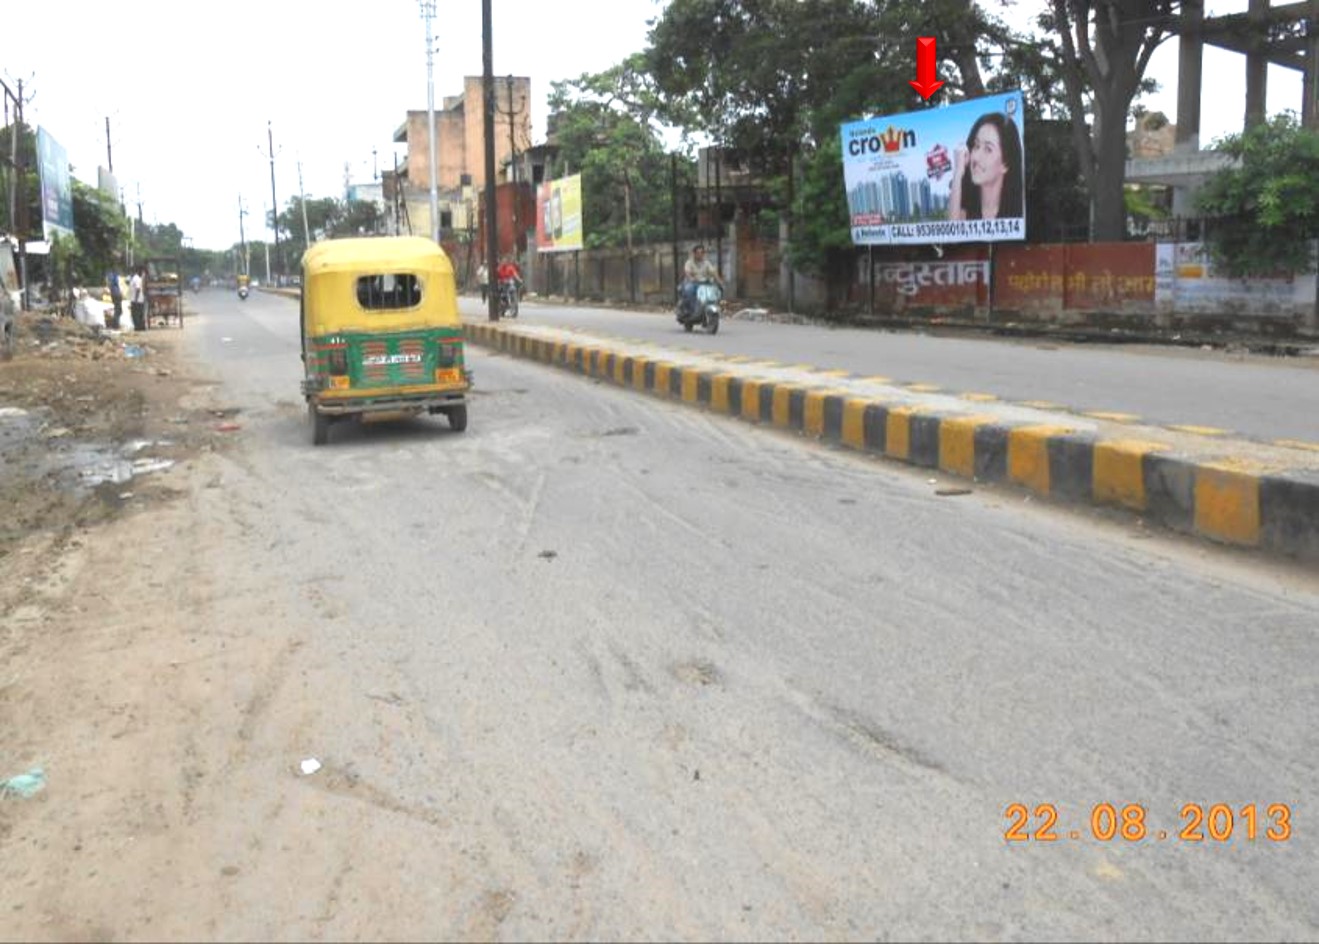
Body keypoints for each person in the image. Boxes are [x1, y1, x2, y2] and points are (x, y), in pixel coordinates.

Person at [949, 111, 1023, 222]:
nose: (976, 157)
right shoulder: (967, 208)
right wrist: (958, 172)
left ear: (1005, 164)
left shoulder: (1018, 211)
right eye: (976, 146)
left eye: (988, 149)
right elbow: (952, 232)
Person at [679, 244, 723, 318]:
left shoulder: (707, 263)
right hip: (692, 283)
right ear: (694, 253)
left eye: (702, 253)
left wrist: (719, 281)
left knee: (716, 290)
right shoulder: (689, 262)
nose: (700, 254)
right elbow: (687, 272)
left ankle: (707, 307)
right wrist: (691, 278)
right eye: (698, 253)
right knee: (689, 290)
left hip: (704, 284)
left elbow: (713, 272)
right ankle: (692, 310)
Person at [129, 265, 146, 332]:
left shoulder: (136, 278)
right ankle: (141, 327)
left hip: (136, 300)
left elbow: (138, 289)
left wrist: (135, 299)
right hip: (139, 299)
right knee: (140, 314)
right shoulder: (137, 278)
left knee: (135, 314)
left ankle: (138, 327)